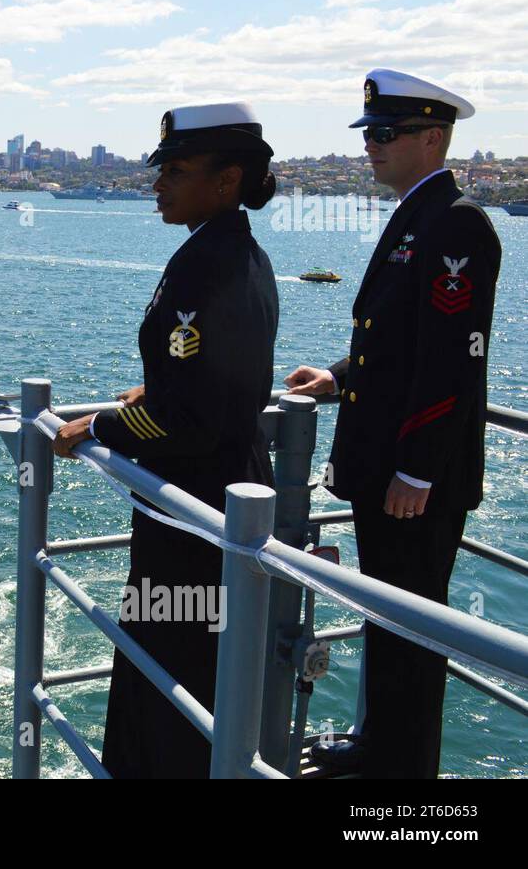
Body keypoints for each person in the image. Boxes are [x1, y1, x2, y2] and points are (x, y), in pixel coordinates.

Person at [285, 70, 501, 779]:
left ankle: (402, 783)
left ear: (432, 137)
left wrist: (417, 468)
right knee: (390, 619)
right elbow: (392, 339)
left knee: (414, 631)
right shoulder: (420, 214)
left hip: (415, 481)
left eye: (386, 133)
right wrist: (337, 377)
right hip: (389, 471)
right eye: (370, 133)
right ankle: (378, 747)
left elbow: (449, 364)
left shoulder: (457, 221)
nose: (371, 146)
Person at [53, 103, 280, 778]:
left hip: (195, 513)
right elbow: (216, 376)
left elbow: (193, 420)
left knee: (172, 677)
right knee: (175, 667)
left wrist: (97, 427)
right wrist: (154, 392)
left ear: (226, 178)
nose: (158, 185)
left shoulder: (205, 265)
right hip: (205, 500)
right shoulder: (228, 251)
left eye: (176, 172)